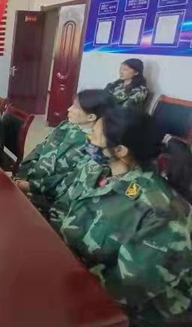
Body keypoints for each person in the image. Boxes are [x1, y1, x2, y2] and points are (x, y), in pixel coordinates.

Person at [60, 107, 192, 324]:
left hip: (127, 314)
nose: (88, 138)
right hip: (74, 273)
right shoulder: (102, 171)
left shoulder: (161, 211)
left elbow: (127, 287)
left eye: (94, 135)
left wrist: (62, 279)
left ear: (120, 150)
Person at [13, 90, 115, 227]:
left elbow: (67, 181)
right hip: (28, 183)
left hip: (49, 199)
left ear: (91, 117)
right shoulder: (66, 126)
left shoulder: (95, 146)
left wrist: (30, 186)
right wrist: (21, 175)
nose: (69, 109)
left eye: (75, 107)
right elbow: (38, 150)